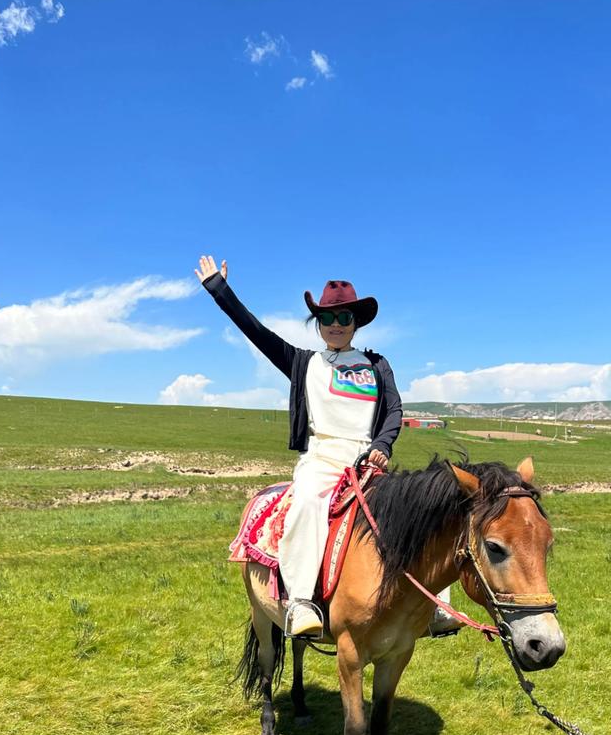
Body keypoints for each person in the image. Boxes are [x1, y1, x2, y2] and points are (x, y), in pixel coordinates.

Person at [195, 255, 458, 638]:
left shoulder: (376, 365)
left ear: (356, 322)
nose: (336, 325)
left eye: (343, 317)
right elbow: (256, 331)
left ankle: (434, 606)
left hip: (368, 458)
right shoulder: (303, 363)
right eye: (327, 318)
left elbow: (394, 410)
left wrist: (383, 445)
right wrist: (219, 289)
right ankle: (302, 603)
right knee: (306, 503)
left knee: (418, 508)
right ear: (318, 323)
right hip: (322, 459)